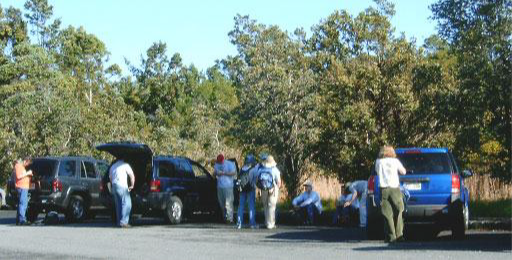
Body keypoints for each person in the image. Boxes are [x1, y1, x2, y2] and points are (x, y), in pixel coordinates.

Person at [375, 145, 407, 243]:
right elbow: (403, 172)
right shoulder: (395, 161)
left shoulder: (378, 162)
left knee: (387, 214)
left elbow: (377, 172)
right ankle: (399, 235)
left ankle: (391, 236)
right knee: (399, 210)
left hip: (383, 189)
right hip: (394, 188)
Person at [256, 155, 281, 229]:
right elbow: (279, 181)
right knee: (272, 206)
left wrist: (259, 189)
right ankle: (271, 224)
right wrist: (276, 188)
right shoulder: (275, 169)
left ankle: (266, 222)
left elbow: (257, 180)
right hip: (273, 189)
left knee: (265, 206)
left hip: (263, 189)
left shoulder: (260, 169)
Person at [109, 159, 135, 228]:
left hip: (114, 186)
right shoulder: (125, 165)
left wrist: (113, 185)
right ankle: (124, 222)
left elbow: (110, 177)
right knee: (127, 203)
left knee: (118, 205)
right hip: (122, 186)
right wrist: (132, 185)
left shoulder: (113, 166)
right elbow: (131, 175)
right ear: (123, 160)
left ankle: (119, 222)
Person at [236, 154, 258, 229]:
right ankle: (252, 223)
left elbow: (238, 178)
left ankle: (239, 223)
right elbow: (255, 179)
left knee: (241, 206)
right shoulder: (253, 169)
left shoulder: (242, 169)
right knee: (251, 206)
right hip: (250, 189)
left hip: (242, 190)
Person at [214, 154, 236, 223]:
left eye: (221, 161)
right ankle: (224, 218)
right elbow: (214, 173)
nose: (220, 163)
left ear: (223, 160)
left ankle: (230, 219)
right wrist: (216, 174)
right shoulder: (216, 165)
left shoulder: (229, 164)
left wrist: (224, 173)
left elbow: (233, 173)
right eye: (218, 161)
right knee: (222, 204)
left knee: (228, 203)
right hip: (220, 186)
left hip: (228, 186)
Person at [13, 158, 33, 225]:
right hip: (22, 187)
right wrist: (27, 173)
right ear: (25, 161)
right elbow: (18, 176)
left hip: (24, 187)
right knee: (23, 203)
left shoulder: (22, 167)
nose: (27, 165)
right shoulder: (18, 166)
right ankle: (22, 220)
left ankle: (18, 220)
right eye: (27, 163)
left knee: (21, 203)